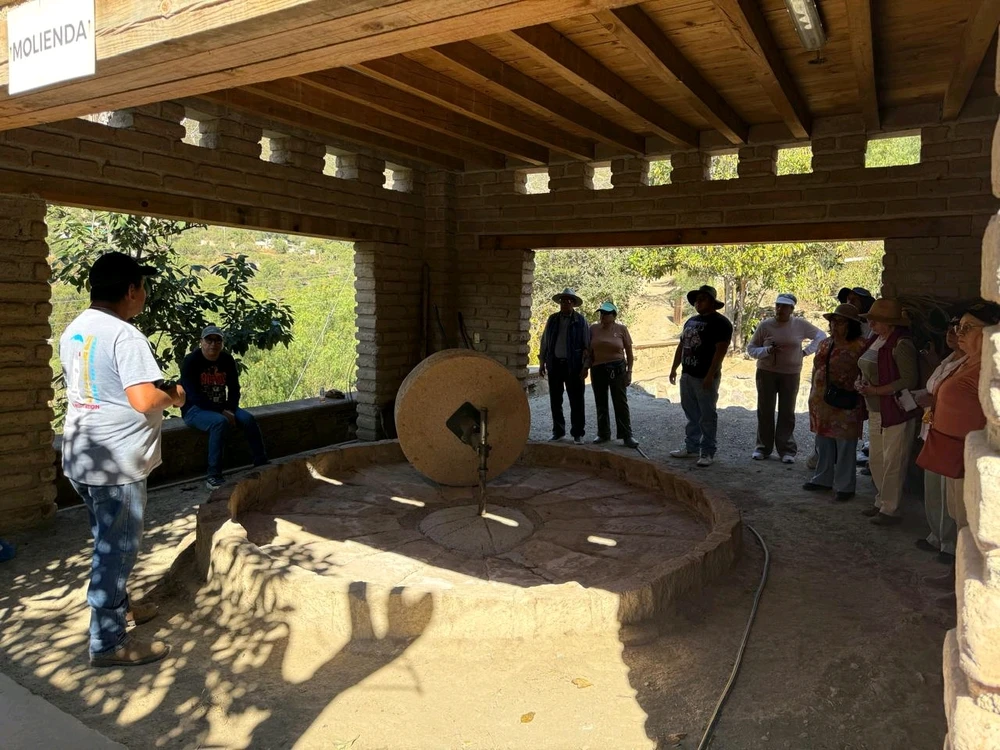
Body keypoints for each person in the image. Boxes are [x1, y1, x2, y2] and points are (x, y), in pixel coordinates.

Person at [59, 251, 185, 668]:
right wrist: (177, 395)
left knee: (106, 542)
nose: (144, 295)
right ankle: (109, 644)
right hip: (117, 464)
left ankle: (122, 608)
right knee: (116, 552)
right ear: (131, 290)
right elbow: (144, 398)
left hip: (83, 456)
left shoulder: (76, 329)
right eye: (143, 288)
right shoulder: (124, 334)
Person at [916, 302, 1000, 548]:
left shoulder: (991, 368)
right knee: (958, 514)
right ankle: (956, 571)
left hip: (972, 455)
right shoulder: (968, 361)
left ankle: (964, 577)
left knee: (971, 518)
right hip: (953, 451)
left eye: (968, 328)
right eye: (959, 327)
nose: (959, 333)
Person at [856, 298, 922, 526]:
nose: (871, 323)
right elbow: (865, 366)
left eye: (877, 320)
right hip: (876, 408)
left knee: (893, 460)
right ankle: (881, 501)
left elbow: (908, 379)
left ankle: (890, 508)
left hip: (895, 410)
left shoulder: (901, 344)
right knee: (876, 459)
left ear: (890, 323)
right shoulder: (876, 339)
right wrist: (861, 383)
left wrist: (876, 390)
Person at [180, 325, 269, 489]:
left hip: (223, 407)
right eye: (209, 340)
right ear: (201, 342)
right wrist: (223, 412)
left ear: (222, 343)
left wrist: (230, 408)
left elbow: (234, 388)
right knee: (219, 422)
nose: (213, 344)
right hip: (195, 410)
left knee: (248, 419)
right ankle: (213, 476)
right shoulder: (191, 361)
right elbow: (193, 395)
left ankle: (261, 462)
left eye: (217, 340)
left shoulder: (227, 360)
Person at [746, 293, 827, 463]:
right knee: (765, 410)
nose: (780, 309)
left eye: (784, 306)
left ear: (792, 309)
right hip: (766, 372)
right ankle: (762, 448)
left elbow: (821, 336)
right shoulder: (765, 325)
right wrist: (766, 351)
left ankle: (786, 450)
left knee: (787, 411)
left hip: (791, 373)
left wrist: (804, 352)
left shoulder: (800, 325)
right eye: (777, 305)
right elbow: (751, 348)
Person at [913, 318, 965, 562]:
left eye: (960, 329)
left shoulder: (970, 365)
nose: (952, 333)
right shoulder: (949, 359)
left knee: (949, 494)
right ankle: (936, 534)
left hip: (949, 433)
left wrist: (934, 401)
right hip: (932, 429)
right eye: (950, 328)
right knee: (932, 487)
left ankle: (950, 544)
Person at [802, 304, 866, 500]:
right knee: (823, 441)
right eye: (833, 321)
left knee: (846, 445)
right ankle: (822, 478)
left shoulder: (861, 347)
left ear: (851, 325)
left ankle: (845, 486)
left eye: (840, 322)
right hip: (823, 401)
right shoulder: (825, 344)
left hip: (846, 402)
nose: (834, 325)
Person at [669, 285, 734, 467]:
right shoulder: (690, 321)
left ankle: (707, 451)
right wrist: (674, 368)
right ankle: (691, 447)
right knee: (691, 413)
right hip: (688, 374)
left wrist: (710, 375)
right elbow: (682, 346)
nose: (698, 303)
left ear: (712, 302)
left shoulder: (721, 323)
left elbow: (720, 352)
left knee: (707, 415)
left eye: (702, 299)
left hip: (704, 376)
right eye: (696, 300)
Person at [539, 288, 591, 444]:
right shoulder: (553, 319)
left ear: (573, 304)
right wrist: (542, 362)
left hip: (574, 366)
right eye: (563, 301)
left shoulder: (580, 321)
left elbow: (587, 346)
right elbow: (545, 341)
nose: (565, 303)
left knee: (576, 401)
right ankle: (558, 431)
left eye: (568, 301)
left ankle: (577, 433)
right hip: (555, 364)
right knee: (555, 400)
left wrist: (585, 367)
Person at [588, 301, 638, 448]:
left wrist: (629, 372)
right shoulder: (593, 329)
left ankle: (626, 435)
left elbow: (629, 351)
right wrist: (586, 366)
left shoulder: (621, 329)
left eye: (606, 313)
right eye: (601, 313)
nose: (603, 316)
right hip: (598, 369)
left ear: (614, 316)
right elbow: (589, 351)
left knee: (620, 402)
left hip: (617, 369)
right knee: (601, 402)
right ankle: (603, 433)